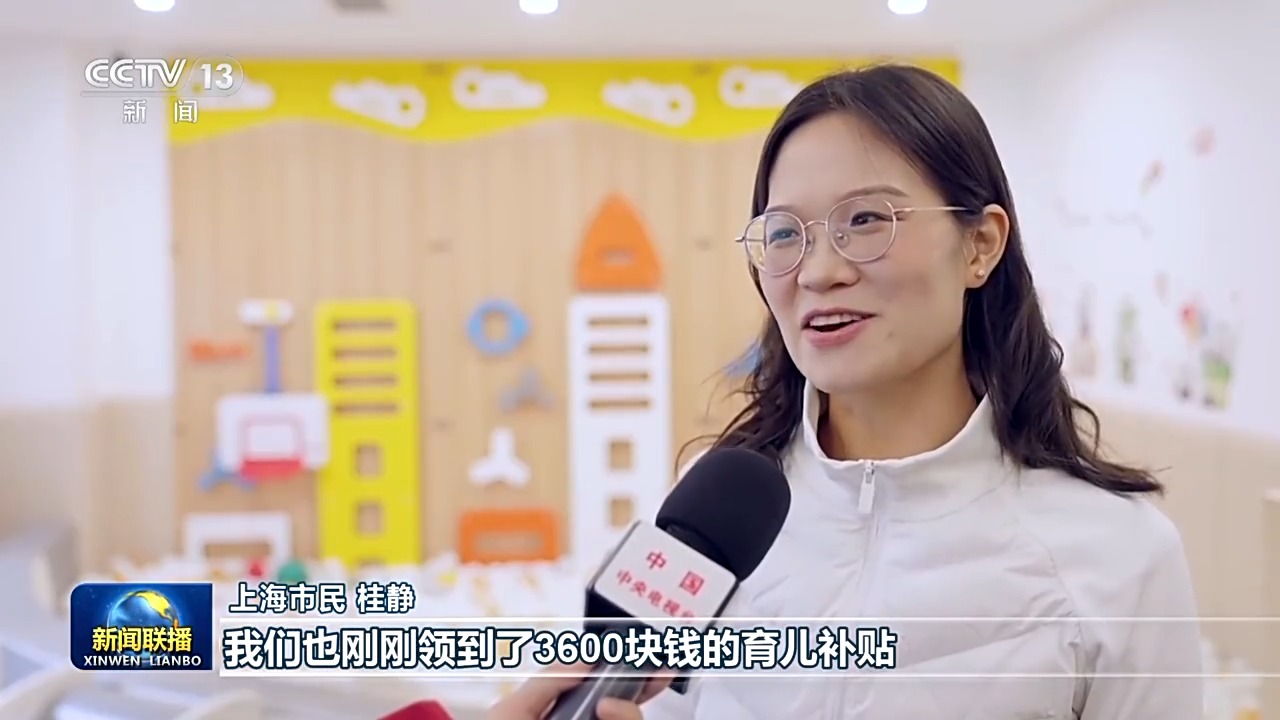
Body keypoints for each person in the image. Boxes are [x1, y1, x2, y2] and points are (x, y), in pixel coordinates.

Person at [490, 63, 1202, 719]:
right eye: (784, 233)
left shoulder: (1118, 553)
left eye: (866, 220)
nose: (817, 271)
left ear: (980, 245)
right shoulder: (718, 518)